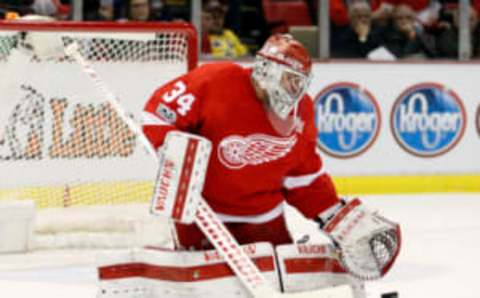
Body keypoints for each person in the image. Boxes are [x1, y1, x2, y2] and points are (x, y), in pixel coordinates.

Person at [141, 34, 400, 281]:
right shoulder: (215, 79)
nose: (294, 89)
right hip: (203, 218)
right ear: (266, 69)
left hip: (264, 221)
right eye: (289, 79)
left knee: (277, 286)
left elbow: (302, 175)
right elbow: (157, 115)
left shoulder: (302, 110)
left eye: (299, 81)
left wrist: (332, 212)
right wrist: (170, 150)